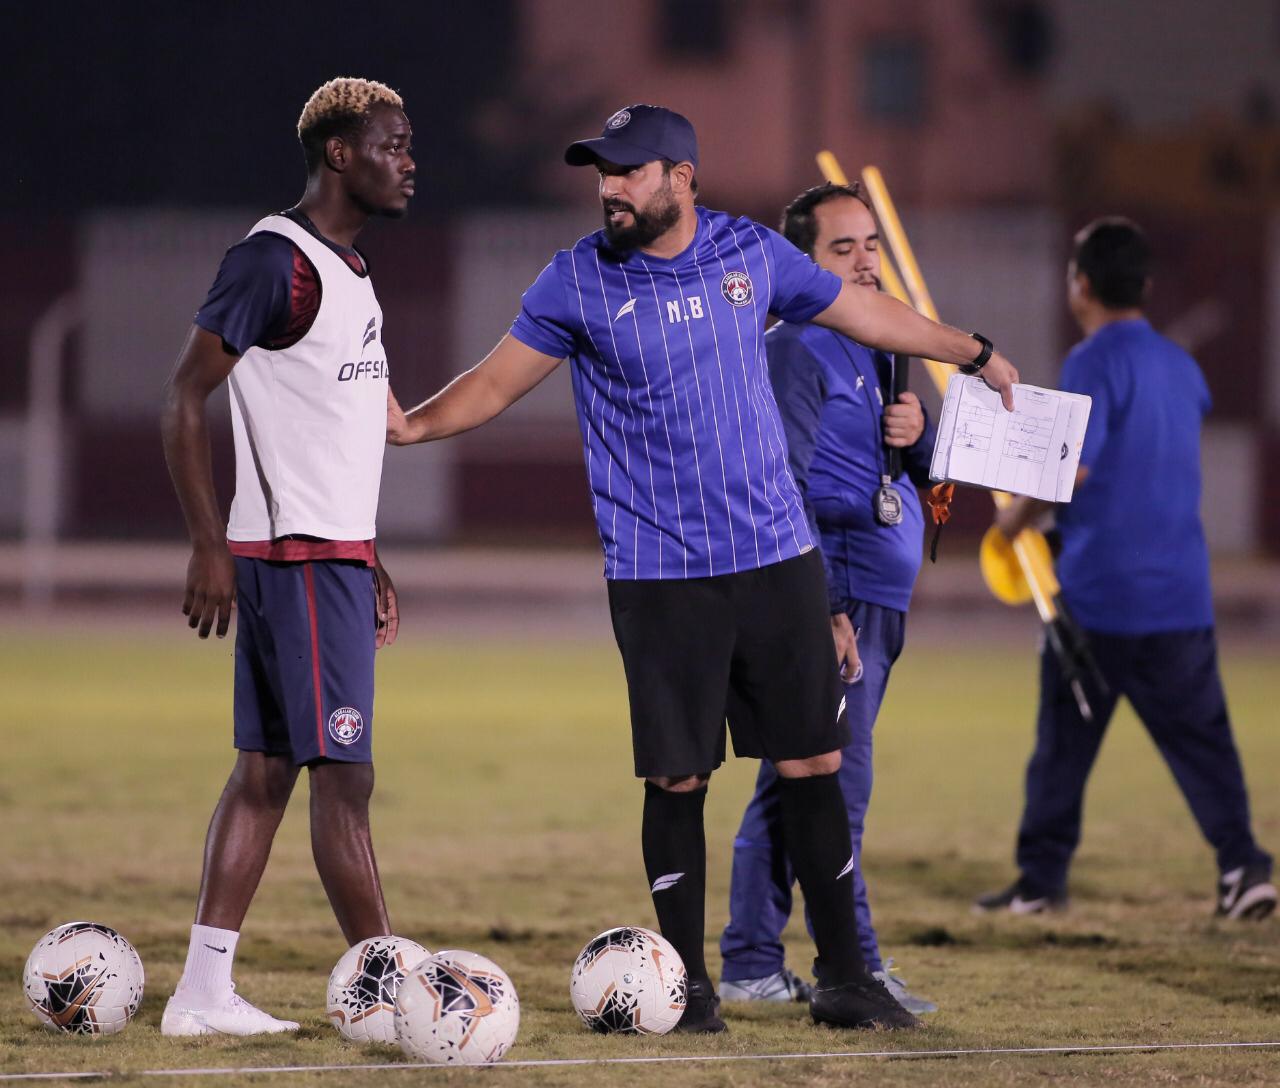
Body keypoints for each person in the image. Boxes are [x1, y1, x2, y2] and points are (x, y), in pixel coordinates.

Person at [388, 104, 1020, 1031]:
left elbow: (868, 312)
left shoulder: (750, 253)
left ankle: (845, 979)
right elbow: (490, 383)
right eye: (602, 172)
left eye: (629, 171)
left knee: (815, 760)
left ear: (681, 177)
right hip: (661, 572)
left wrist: (975, 351)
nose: (609, 187)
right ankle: (689, 990)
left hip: (778, 557)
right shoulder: (574, 282)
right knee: (679, 779)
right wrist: (408, 427)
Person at [159, 77, 415, 1035]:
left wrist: (372, 557)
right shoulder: (277, 262)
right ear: (340, 154)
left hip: (330, 552)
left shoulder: (346, 269)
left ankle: (202, 991)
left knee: (264, 773)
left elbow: (333, 433)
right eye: (392, 144)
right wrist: (205, 546)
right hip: (298, 561)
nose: (409, 160)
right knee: (343, 783)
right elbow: (184, 397)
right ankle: (395, 996)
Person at [975, 217, 1275, 921]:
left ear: (1080, 285)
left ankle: (1042, 881)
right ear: (1144, 284)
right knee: (1205, 745)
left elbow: (1072, 468)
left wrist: (1013, 520)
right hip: (1180, 595)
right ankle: (1244, 867)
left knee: (1063, 746)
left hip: (1100, 596)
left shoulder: (1091, 361)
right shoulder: (1182, 366)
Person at [719, 182, 938, 1015]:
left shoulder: (880, 346)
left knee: (796, 778)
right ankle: (857, 966)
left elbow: (914, 478)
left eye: (872, 245)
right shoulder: (795, 347)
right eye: (843, 249)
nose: (865, 262)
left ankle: (749, 962)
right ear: (802, 267)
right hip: (836, 594)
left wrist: (918, 438)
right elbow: (785, 486)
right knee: (832, 782)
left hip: (876, 594)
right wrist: (822, 606)